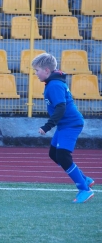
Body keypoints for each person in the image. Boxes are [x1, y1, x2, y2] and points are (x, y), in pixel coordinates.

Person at [31, 53, 94, 203]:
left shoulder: (54, 85)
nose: (36, 73)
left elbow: (60, 107)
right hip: (64, 124)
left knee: (63, 156)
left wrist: (47, 126)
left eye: (37, 70)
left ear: (46, 70)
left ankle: (84, 189)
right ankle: (85, 179)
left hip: (70, 124)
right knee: (54, 154)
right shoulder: (53, 83)